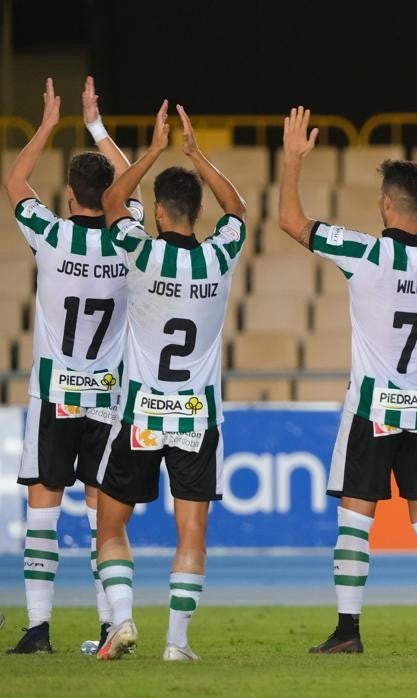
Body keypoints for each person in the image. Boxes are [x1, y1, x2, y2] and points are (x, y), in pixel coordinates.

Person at [280, 104, 417, 655]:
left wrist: (293, 160)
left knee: (355, 518)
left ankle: (348, 632)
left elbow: (291, 222)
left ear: (387, 204)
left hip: (372, 408)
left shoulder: (364, 251)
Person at [95, 101, 248, 662]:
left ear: (158, 212)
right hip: (196, 417)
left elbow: (112, 202)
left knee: (111, 525)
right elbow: (239, 209)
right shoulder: (219, 256)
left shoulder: (139, 250)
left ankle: (124, 618)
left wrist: (154, 151)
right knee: (191, 535)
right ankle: (176, 644)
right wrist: (198, 155)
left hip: (139, 413)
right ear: (195, 213)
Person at [4, 77, 137, 654]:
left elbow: (13, 181)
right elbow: (131, 181)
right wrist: (97, 127)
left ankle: (38, 631)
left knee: (43, 510)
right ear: (110, 197)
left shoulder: (51, 237)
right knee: (99, 515)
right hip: (106, 398)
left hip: (55, 393)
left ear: (67, 194)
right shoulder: (128, 241)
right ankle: (111, 625)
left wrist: (48, 126)